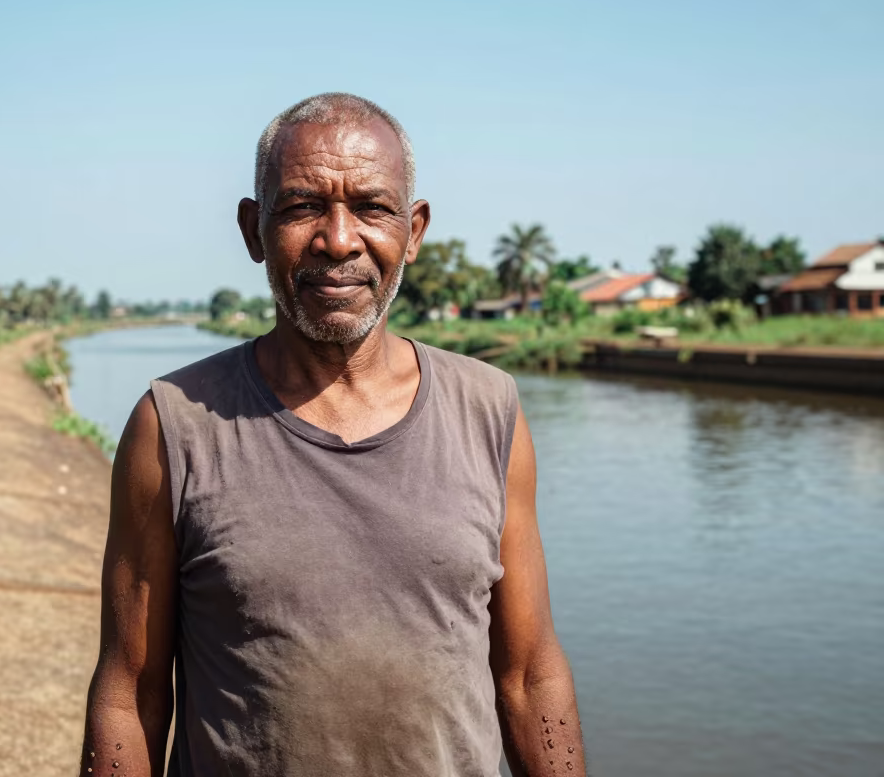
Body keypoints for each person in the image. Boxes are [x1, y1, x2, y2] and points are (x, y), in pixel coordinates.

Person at [80, 93, 586, 777]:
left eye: (372, 208)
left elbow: (528, 677)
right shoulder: (174, 426)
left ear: (413, 230)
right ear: (253, 230)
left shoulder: (489, 410)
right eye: (301, 207)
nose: (339, 240)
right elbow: (130, 695)